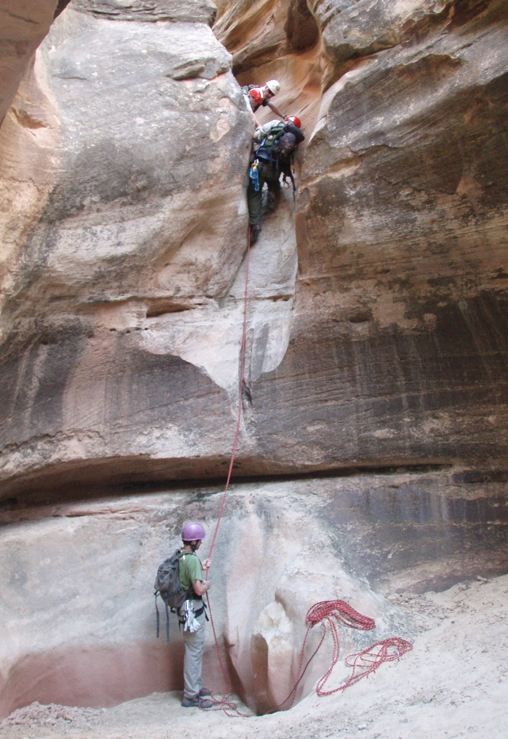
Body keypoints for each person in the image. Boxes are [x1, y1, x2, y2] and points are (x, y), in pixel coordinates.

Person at [247, 116, 304, 243]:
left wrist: (259, 130)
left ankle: (255, 224)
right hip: (275, 170)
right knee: (273, 182)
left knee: (254, 193)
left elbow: (256, 137)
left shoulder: (275, 124)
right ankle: (272, 194)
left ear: (287, 120)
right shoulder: (293, 139)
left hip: (260, 164)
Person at [179, 521, 213, 709]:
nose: (200, 543)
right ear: (194, 542)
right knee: (193, 653)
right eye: (199, 541)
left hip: (186, 609)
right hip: (193, 612)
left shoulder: (183, 557)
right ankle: (191, 696)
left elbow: (189, 575)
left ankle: (195, 687)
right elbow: (199, 589)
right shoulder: (191, 560)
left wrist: (201, 567)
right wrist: (207, 584)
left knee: (194, 651)